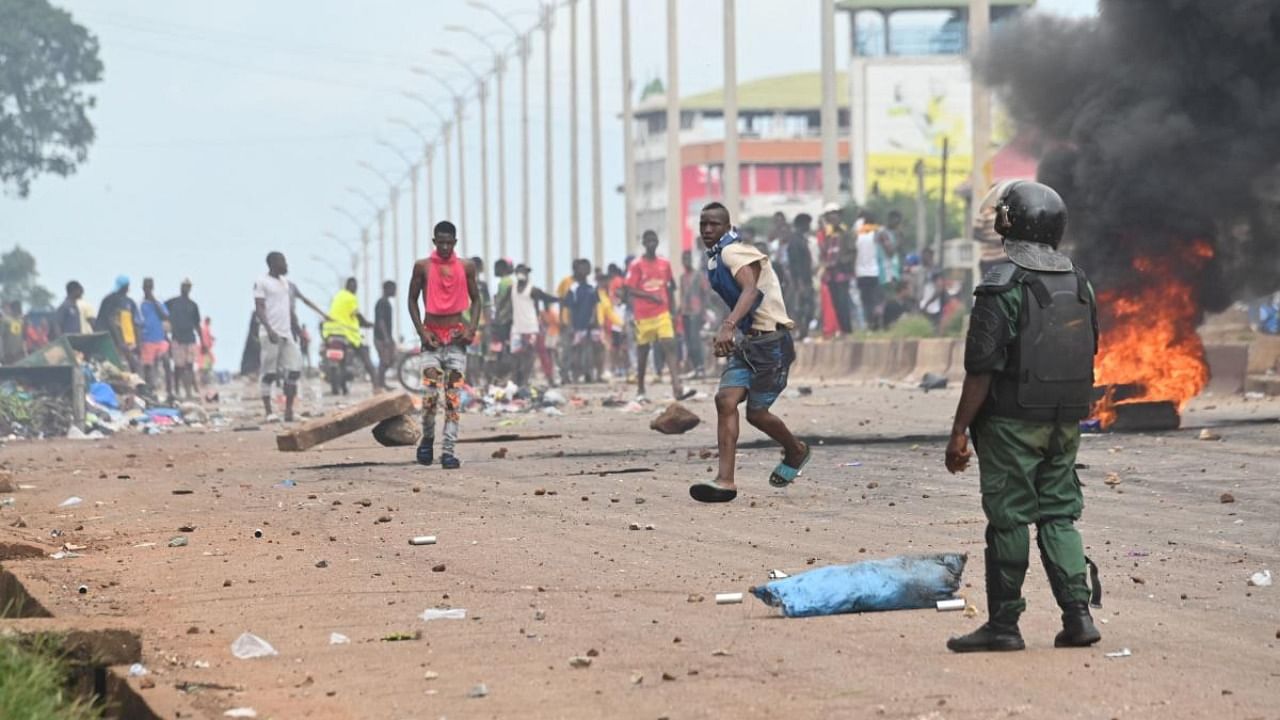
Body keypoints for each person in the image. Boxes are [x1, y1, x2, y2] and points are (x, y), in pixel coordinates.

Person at [944, 180, 1102, 653]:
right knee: (1058, 515)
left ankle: (1004, 626)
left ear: (1010, 222)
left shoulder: (1001, 285)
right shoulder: (1080, 282)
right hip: (1064, 422)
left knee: (1010, 519)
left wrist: (958, 432)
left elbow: (981, 370)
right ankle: (1078, 617)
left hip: (1011, 425)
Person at [689, 202, 810, 504]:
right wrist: (733, 330)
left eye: (713, 224)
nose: (707, 229)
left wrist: (728, 326)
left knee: (756, 414)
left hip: (771, 344)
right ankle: (725, 481)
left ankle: (796, 450)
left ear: (726, 226)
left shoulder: (733, 252)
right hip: (748, 343)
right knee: (725, 400)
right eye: (703, 224)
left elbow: (750, 291)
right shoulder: (716, 258)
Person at [408, 221, 482, 469]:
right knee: (429, 396)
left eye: (449, 242)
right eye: (440, 242)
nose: (445, 246)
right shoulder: (423, 267)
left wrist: (471, 329)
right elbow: (412, 300)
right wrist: (422, 331)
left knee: (452, 398)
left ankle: (448, 451)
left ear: (455, 242)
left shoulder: (466, 267)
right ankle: (427, 439)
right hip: (432, 340)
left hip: (456, 340)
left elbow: (477, 299)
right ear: (434, 241)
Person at [254, 252, 328, 422]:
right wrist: (269, 329)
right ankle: (269, 412)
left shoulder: (285, 284)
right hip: (270, 334)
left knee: (294, 370)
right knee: (269, 374)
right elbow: (259, 308)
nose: (286, 265)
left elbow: (289, 310)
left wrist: (299, 331)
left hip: (286, 334)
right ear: (273, 263)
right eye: (283, 262)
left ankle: (288, 411)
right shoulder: (262, 282)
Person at [626, 231, 692, 401]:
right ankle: (640, 388)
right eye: (648, 240)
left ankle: (677, 387)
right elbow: (629, 289)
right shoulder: (636, 265)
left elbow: (670, 287)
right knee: (643, 351)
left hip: (662, 313)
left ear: (657, 242)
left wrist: (673, 310)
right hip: (643, 315)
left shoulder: (664, 263)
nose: (651, 243)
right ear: (643, 243)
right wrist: (649, 296)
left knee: (670, 346)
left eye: (654, 240)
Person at [322, 277, 381, 391]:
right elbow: (358, 316)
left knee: (336, 358)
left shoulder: (338, 295)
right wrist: (367, 324)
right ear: (350, 286)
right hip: (346, 332)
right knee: (365, 355)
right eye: (354, 286)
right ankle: (376, 385)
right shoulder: (351, 298)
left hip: (330, 331)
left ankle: (340, 384)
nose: (355, 288)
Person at [510, 264, 559, 387]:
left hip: (532, 327)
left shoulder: (533, 290)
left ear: (527, 275)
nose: (521, 274)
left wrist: (560, 299)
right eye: (519, 272)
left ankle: (549, 378)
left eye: (524, 272)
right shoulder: (512, 288)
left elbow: (546, 298)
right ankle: (520, 380)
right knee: (519, 355)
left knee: (539, 353)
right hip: (517, 328)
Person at [561, 259, 601, 383]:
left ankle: (589, 374)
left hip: (589, 324)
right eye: (581, 268)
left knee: (590, 350)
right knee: (572, 351)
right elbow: (568, 306)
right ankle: (568, 375)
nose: (584, 270)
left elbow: (595, 305)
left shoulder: (592, 287)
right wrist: (569, 323)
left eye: (586, 268)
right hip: (576, 324)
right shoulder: (573, 288)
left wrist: (595, 320)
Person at [819, 203, 855, 336]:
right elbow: (824, 253)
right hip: (830, 274)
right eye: (830, 215)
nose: (833, 217)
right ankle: (842, 329)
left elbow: (852, 252)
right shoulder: (827, 235)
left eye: (835, 214)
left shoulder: (846, 233)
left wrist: (840, 262)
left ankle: (847, 329)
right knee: (835, 303)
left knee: (843, 301)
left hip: (842, 272)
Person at [165, 279, 204, 400]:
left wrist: (203, 340)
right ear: (181, 287)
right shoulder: (172, 302)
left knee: (190, 366)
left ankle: (189, 391)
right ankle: (176, 390)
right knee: (178, 366)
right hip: (177, 338)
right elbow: (161, 311)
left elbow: (197, 324)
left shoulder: (193, 305)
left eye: (188, 286)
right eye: (184, 286)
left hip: (190, 338)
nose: (186, 288)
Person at [678, 249, 711, 378]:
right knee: (688, 342)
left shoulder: (698, 275)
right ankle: (697, 368)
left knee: (694, 340)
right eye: (684, 259)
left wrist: (704, 310)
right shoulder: (682, 277)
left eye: (688, 258)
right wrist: (679, 311)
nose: (686, 261)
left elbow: (706, 292)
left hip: (696, 311)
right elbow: (681, 295)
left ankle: (701, 367)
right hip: (686, 312)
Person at [138, 278, 173, 399]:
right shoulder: (141, 304)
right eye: (146, 287)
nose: (148, 289)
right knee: (149, 367)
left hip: (160, 338)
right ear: (143, 288)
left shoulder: (158, 302)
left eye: (149, 287)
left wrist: (153, 301)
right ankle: (150, 391)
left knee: (166, 362)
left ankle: (170, 391)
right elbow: (138, 322)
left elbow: (165, 316)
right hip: (147, 339)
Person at [96, 276, 141, 371]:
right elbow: (110, 320)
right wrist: (120, 342)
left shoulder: (129, 302)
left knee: (133, 367)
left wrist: (137, 342)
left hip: (129, 341)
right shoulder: (110, 300)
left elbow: (135, 323)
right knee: (117, 367)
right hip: (113, 341)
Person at [786, 214, 817, 340]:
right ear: (802, 224)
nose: (809, 227)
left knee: (808, 307)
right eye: (808, 224)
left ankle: (803, 332)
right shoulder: (795, 242)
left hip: (806, 280)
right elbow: (796, 265)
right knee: (800, 308)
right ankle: (798, 332)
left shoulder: (801, 240)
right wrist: (799, 284)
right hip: (800, 282)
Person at [374, 281, 397, 390]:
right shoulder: (382, 302)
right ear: (387, 289)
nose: (395, 291)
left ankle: (380, 383)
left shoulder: (386, 302)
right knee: (384, 361)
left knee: (390, 359)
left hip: (386, 337)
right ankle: (379, 384)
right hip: (381, 338)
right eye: (393, 288)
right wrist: (386, 337)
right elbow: (381, 321)